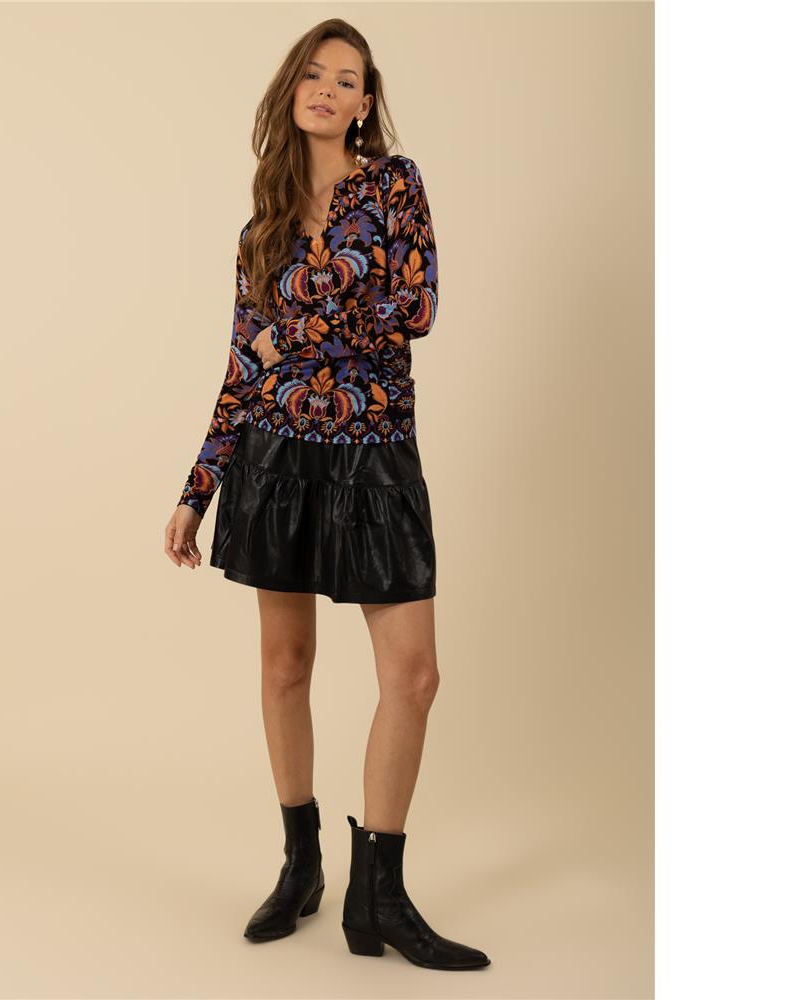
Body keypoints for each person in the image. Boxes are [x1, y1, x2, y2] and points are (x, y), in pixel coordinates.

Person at [164, 19, 490, 972]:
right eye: (313, 73)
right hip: (277, 457)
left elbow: (415, 309)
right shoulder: (259, 230)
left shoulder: (393, 185)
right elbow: (242, 367)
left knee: (414, 676)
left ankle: (377, 894)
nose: (327, 88)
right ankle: (301, 864)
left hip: (376, 452)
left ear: (364, 104)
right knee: (285, 666)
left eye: (347, 80)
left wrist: (292, 331)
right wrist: (196, 489)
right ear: (291, 90)